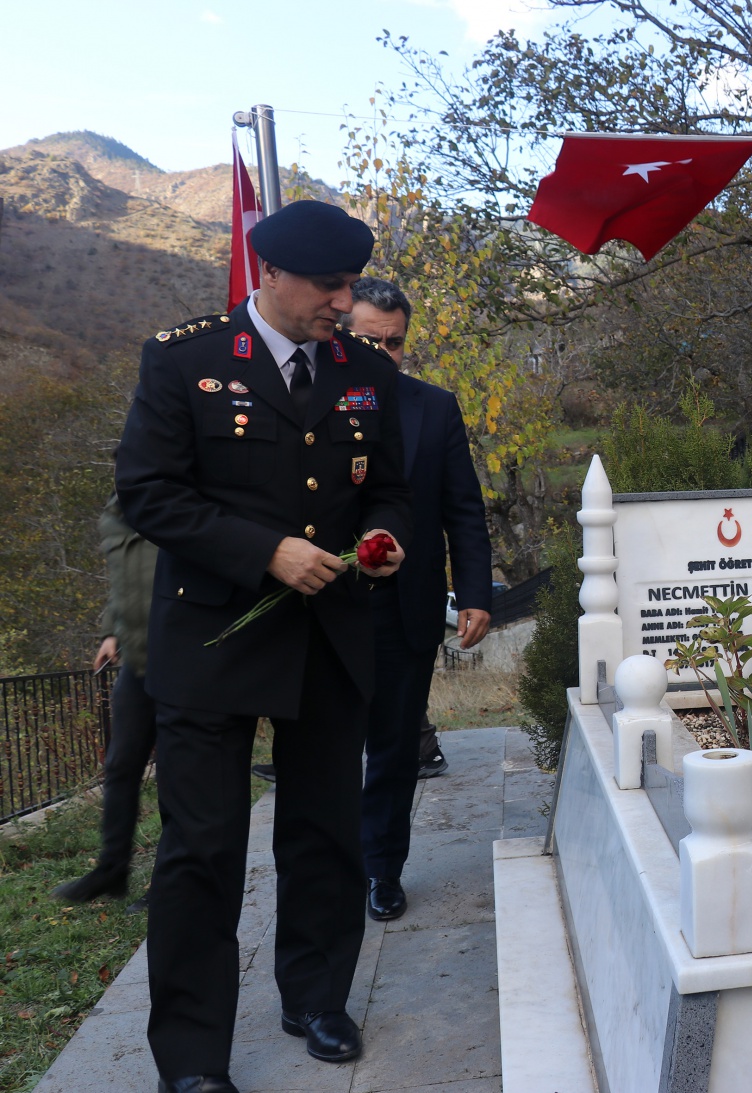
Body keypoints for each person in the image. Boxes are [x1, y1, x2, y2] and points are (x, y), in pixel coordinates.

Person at [116, 199, 412, 1093]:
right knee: (203, 849)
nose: (343, 299)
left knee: (324, 832)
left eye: (351, 283)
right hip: (212, 640)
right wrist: (264, 552)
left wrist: (385, 539)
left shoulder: (364, 369)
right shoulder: (186, 360)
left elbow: (390, 488)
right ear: (269, 275)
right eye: (329, 284)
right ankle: (194, 1060)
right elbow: (148, 494)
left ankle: (315, 996)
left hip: (329, 637)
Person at [342, 276, 493, 923]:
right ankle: (329, 863)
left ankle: (381, 868)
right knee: (328, 747)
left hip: (408, 605)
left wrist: (477, 594)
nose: (382, 352)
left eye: (394, 342)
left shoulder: (435, 408)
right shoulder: (306, 405)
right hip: (324, 607)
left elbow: (463, 507)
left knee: (396, 746)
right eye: (368, 339)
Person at [51, 495, 158, 912]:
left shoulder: (173, 507)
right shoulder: (114, 518)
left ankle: (171, 881)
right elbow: (124, 589)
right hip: (135, 661)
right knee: (120, 765)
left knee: (179, 775)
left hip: (180, 659)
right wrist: (110, 633)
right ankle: (113, 868)